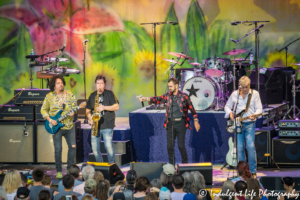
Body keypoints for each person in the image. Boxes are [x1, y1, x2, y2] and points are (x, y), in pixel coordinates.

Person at [140, 78, 200, 165]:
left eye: (171, 86)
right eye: (168, 86)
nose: (169, 88)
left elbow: (192, 109)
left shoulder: (184, 96)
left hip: (181, 123)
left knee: (181, 146)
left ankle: (185, 165)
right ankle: (172, 165)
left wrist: (195, 121)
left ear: (176, 86)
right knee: (170, 146)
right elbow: (158, 99)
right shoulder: (168, 95)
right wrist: (146, 99)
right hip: (170, 123)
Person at [224, 76, 263, 177]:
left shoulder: (255, 94)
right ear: (239, 86)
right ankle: (242, 171)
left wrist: (255, 114)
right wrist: (230, 114)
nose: (245, 89)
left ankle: (253, 171)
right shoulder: (235, 94)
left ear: (250, 85)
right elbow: (227, 106)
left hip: (250, 123)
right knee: (240, 148)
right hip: (237, 124)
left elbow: (259, 109)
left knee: (250, 146)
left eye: (247, 86)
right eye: (243, 87)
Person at [41, 75, 77, 179]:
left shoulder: (69, 94)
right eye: (58, 83)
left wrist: (73, 112)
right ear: (54, 85)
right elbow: (43, 110)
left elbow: (75, 106)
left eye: (61, 82)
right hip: (56, 127)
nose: (61, 84)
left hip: (69, 125)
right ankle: (59, 170)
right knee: (58, 149)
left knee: (73, 147)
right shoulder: (49, 96)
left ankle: (70, 169)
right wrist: (50, 120)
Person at [86, 75, 119, 164]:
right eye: (98, 83)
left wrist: (104, 107)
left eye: (101, 83)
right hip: (95, 126)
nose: (99, 86)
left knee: (108, 146)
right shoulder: (92, 95)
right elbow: (88, 110)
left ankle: (112, 164)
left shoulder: (110, 93)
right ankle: (100, 166)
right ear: (95, 84)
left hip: (107, 124)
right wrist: (90, 119)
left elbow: (116, 107)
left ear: (104, 84)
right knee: (95, 149)